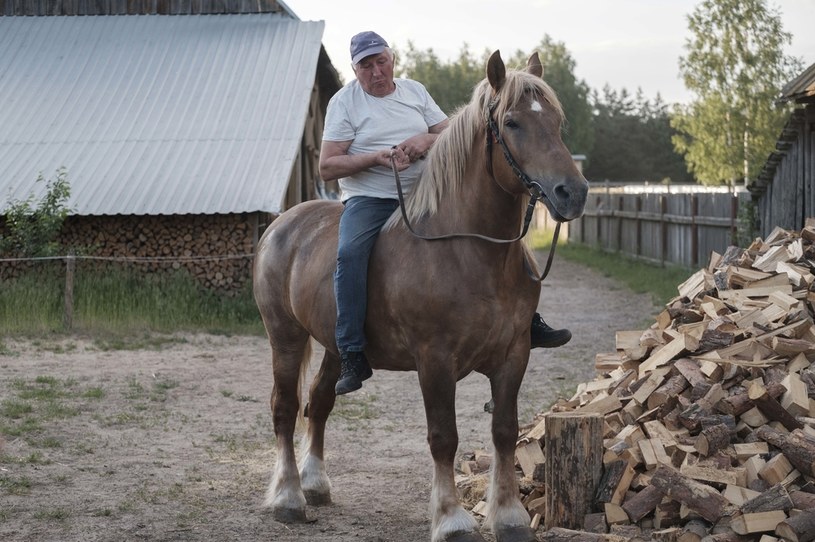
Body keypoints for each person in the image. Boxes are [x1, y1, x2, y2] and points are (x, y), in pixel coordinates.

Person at [319, 31, 571, 396]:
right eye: (366, 65)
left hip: (427, 192)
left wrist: (424, 141)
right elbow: (328, 166)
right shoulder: (344, 103)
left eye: (381, 61)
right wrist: (376, 157)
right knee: (350, 253)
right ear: (355, 69)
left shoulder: (414, 92)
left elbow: (452, 130)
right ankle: (352, 350)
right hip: (371, 197)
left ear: (392, 59)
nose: (376, 71)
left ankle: (526, 322)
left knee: (506, 243)